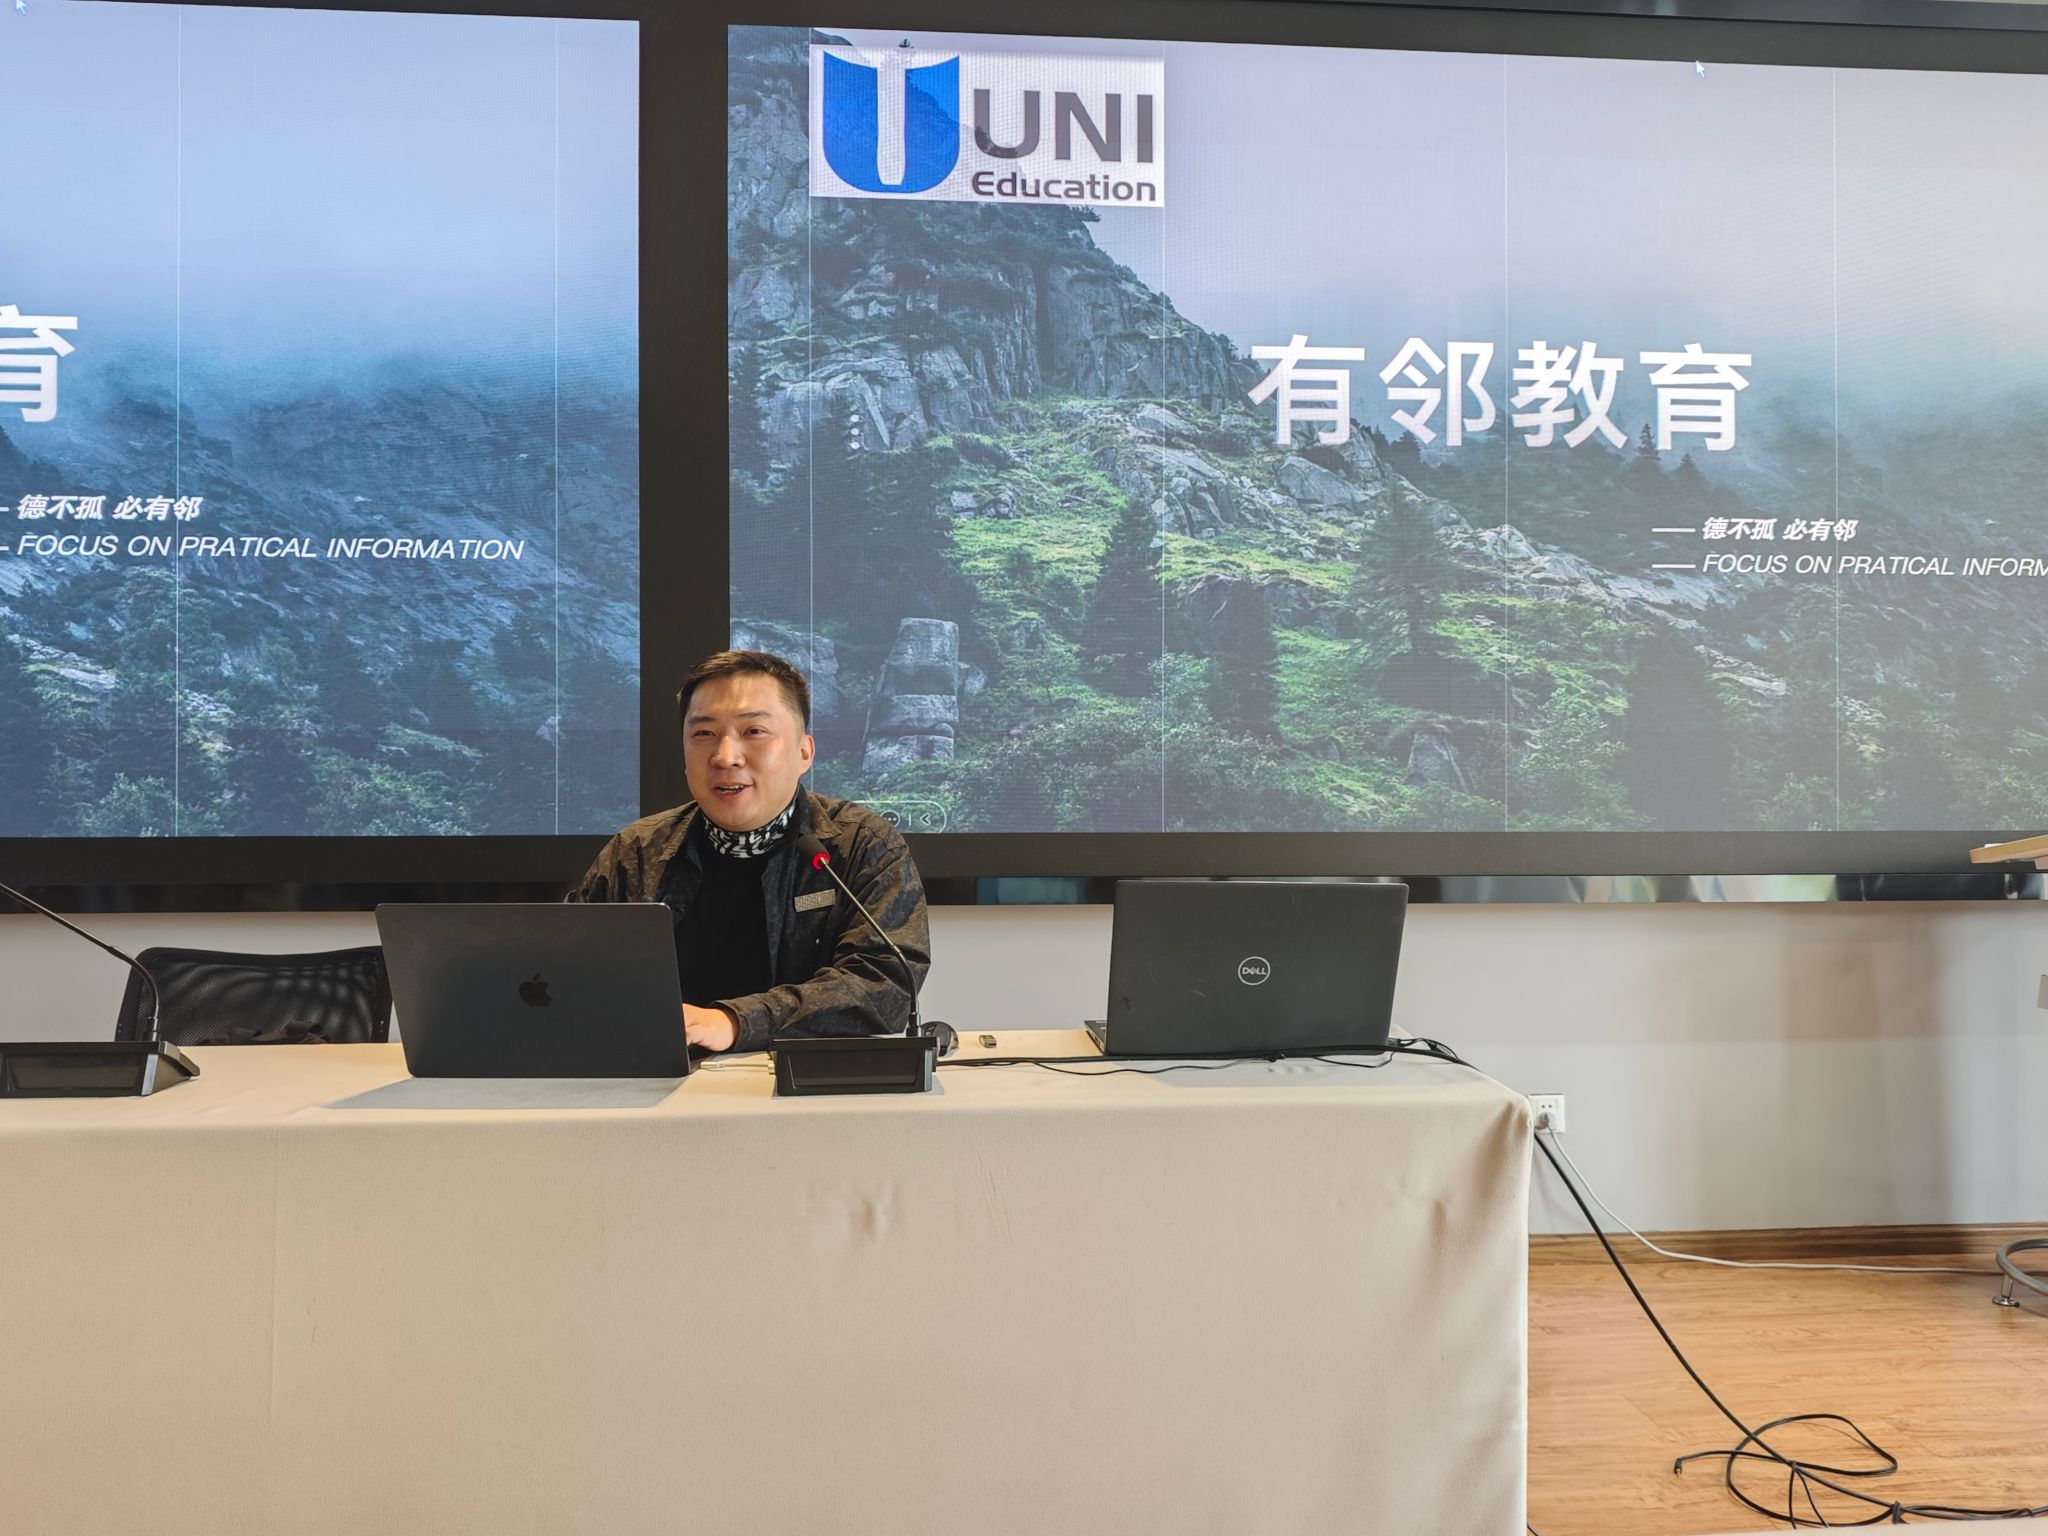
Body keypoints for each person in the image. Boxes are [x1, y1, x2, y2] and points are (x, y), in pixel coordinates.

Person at [568, 649, 930, 1054]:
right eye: (703, 734)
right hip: (662, 1078)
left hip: (804, 1084)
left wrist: (736, 1022)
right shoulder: (637, 851)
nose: (725, 757)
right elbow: (567, 971)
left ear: (804, 752)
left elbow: (886, 984)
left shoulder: (861, 844)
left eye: (754, 731)